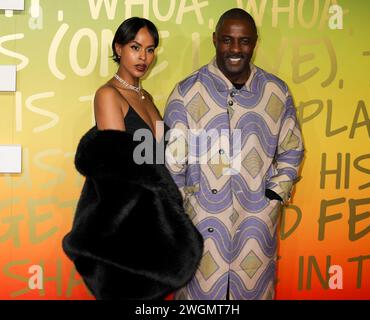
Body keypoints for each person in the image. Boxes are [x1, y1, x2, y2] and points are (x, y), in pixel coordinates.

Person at [164, 8, 304, 300]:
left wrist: (273, 198)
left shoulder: (276, 92)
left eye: (244, 41)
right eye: (228, 40)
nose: (236, 49)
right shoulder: (187, 92)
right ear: (215, 39)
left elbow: (292, 148)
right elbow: (172, 165)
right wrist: (181, 218)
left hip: (255, 225)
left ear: (255, 42)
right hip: (201, 226)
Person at [62, 17, 203, 300]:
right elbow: (120, 168)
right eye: (135, 47)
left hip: (154, 213)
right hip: (127, 220)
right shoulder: (108, 95)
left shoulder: (146, 96)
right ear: (119, 48)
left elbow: (159, 156)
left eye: (150, 50)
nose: (143, 57)